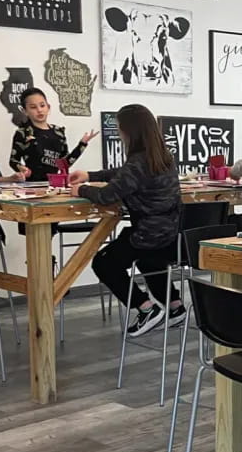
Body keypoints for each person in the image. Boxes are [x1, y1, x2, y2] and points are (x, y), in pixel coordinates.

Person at [69, 104, 184, 338]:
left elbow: (106, 195)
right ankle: (175, 306)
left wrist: (81, 190)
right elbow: (124, 175)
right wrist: (91, 176)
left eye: (120, 128)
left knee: (103, 263)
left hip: (148, 234)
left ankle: (145, 308)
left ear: (129, 132)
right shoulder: (163, 157)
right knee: (149, 260)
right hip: (170, 234)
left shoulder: (138, 162)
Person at [9, 88, 97, 182]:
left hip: (55, 184)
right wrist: (21, 169)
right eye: (33, 107)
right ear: (25, 111)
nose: (39, 110)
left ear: (48, 107)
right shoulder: (23, 133)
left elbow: (65, 163)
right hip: (31, 185)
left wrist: (82, 144)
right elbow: (13, 161)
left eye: (42, 105)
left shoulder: (58, 132)